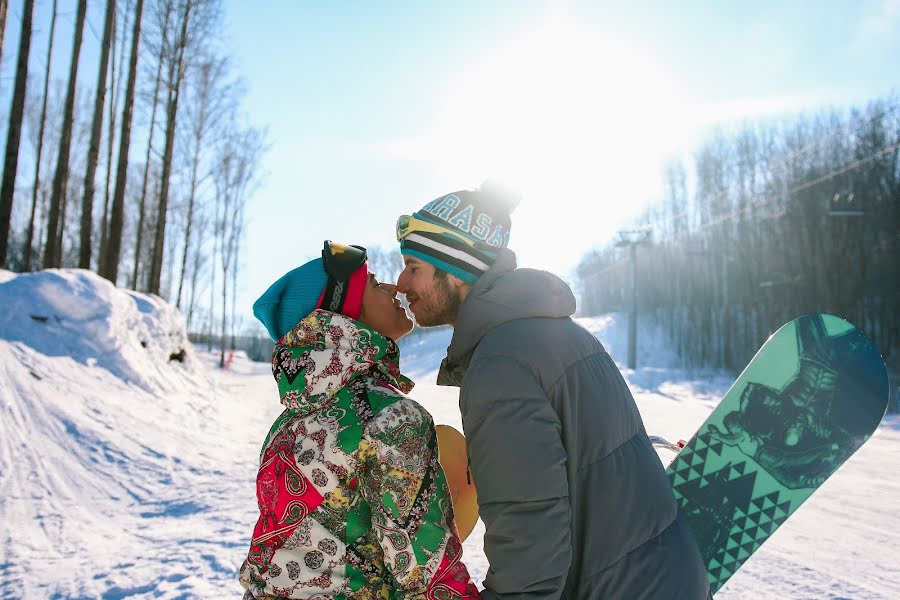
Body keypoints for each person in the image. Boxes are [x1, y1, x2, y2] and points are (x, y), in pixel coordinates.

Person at [395, 187, 709, 599]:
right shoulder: (558, 332)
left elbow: (530, 539)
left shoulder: (501, 364)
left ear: (457, 270)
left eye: (413, 266)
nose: (401, 283)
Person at [239, 240, 481, 599]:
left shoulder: (285, 426)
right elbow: (424, 573)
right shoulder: (391, 420)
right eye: (373, 284)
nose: (392, 287)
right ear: (343, 317)